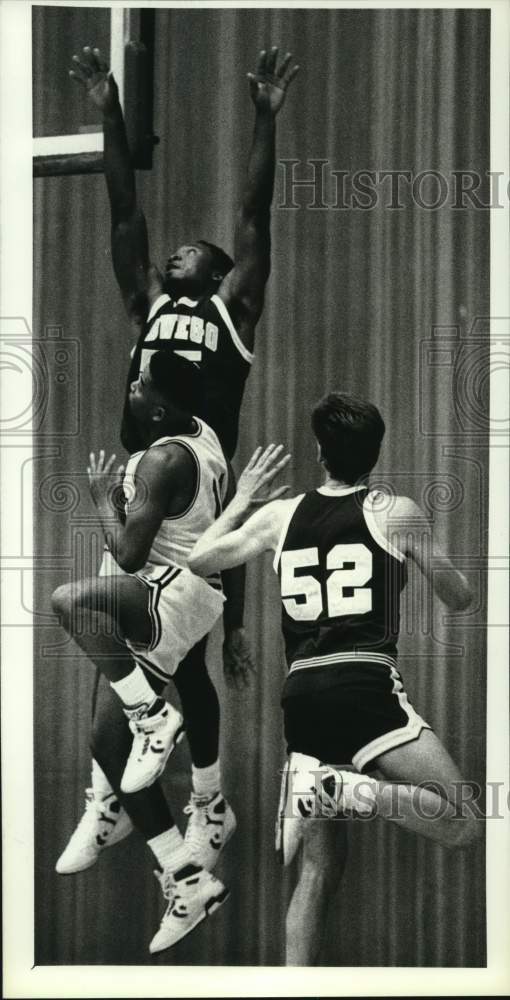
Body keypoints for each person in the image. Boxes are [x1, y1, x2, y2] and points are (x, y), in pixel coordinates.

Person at [59, 43, 299, 875]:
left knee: (159, 642)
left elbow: (254, 216)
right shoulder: (152, 305)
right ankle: (154, 800)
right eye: (176, 254)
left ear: (223, 275)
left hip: (195, 472)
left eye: (193, 252)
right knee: (129, 640)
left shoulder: (233, 311)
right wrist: (107, 108)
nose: (176, 253)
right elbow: (126, 215)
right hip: (148, 479)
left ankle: (197, 800)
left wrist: (267, 119)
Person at [187, 393, 482, 965]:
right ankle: (342, 789)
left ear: (320, 452)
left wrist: (243, 498)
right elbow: (461, 596)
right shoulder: (394, 511)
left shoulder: (280, 516)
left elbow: (199, 559)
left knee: (321, 869)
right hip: (364, 688)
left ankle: (297, 983)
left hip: (302, 699)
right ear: (375, 454)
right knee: (464, 821)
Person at [52, 351, 236, 952]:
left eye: (138, 385)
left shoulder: (159, 461)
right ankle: (188, 882)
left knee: (70, 602)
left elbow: (130, 554)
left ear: (157, 408)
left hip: (165, 596)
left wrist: (101, 497)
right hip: (187, 597)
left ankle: (155, 720)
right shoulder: (204, 439)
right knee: (109, 748)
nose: (128, 388)